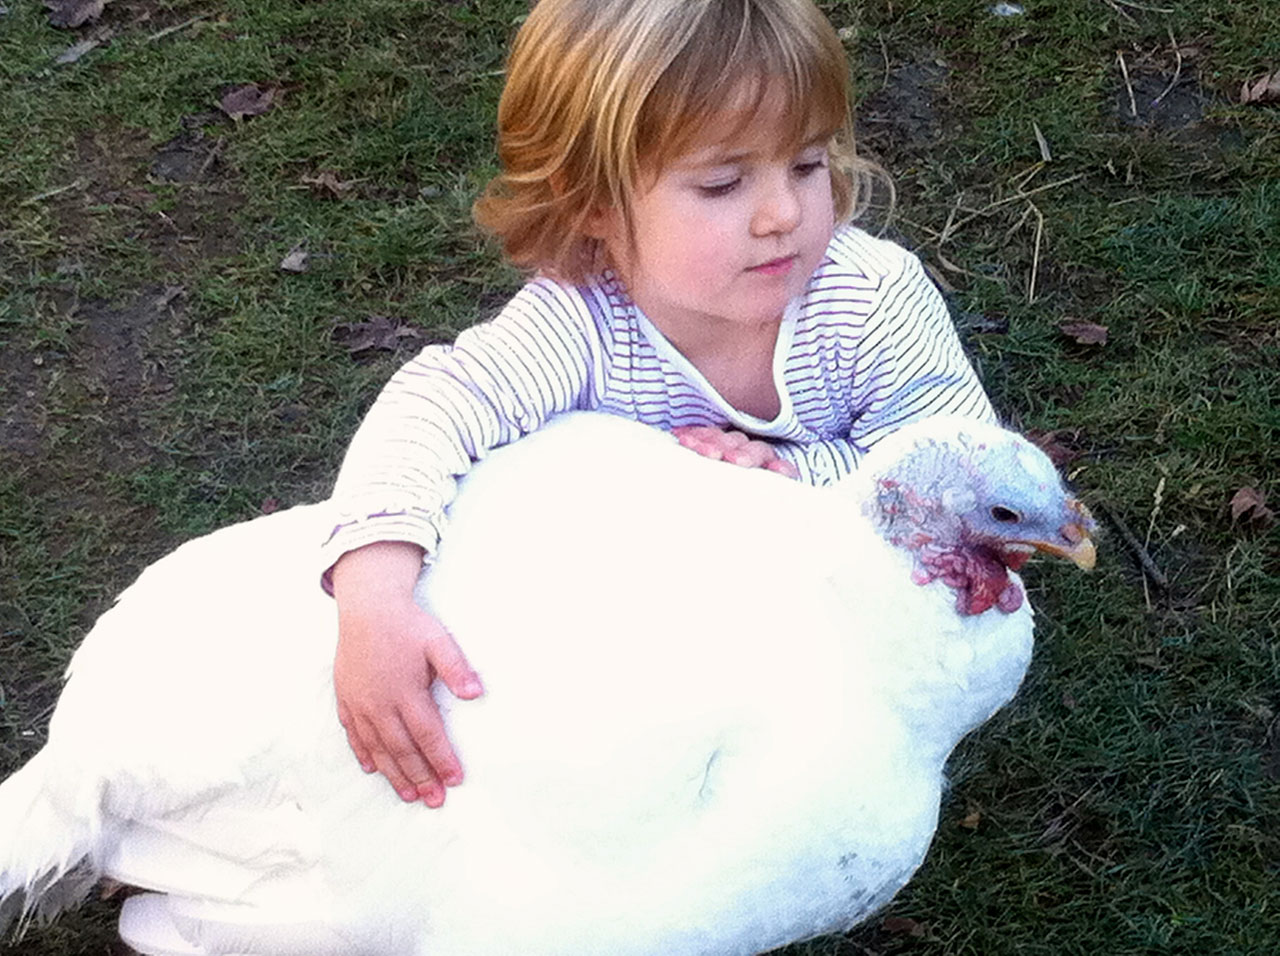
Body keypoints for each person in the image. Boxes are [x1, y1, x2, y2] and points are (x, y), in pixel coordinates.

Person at [322, 0, 996, 809]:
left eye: (808, 164)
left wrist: (793, 471)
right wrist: (374, 593)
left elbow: (958, 468)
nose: (784, 212)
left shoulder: (869, 300)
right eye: (723, 182)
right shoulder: (582, 321)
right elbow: (437, 402)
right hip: (664, 626)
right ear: (595, 204)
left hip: (829, 618)